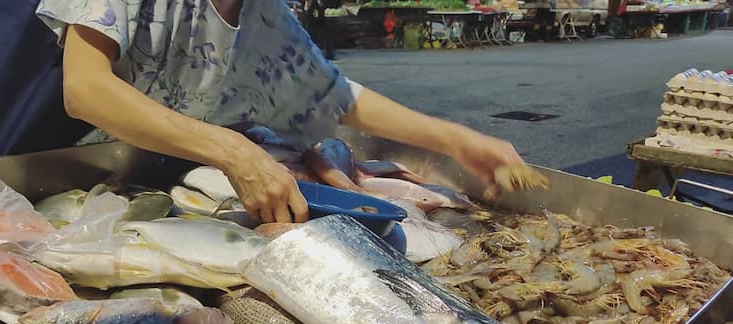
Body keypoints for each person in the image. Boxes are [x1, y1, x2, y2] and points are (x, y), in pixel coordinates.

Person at [41, 0, 525, 224]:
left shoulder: (265, 14)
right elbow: (85, 88)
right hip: (93, 188)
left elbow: (335, 97)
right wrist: (233, 151)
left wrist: (454, 139)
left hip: (188, 197)